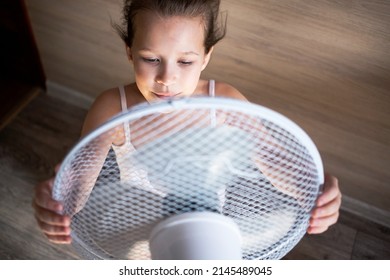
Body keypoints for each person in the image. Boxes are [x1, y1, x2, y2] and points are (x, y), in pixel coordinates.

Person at [33, 0, 341, 245]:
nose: (167, 79)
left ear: (206, 56)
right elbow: (80, 174)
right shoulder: (113, 109)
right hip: (139, 222)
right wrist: (58, 204)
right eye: (151, 59)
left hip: (209, 223)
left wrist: (315, 193)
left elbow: (274, 158)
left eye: (185, 61)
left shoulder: (223, 104)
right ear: (129, 52)